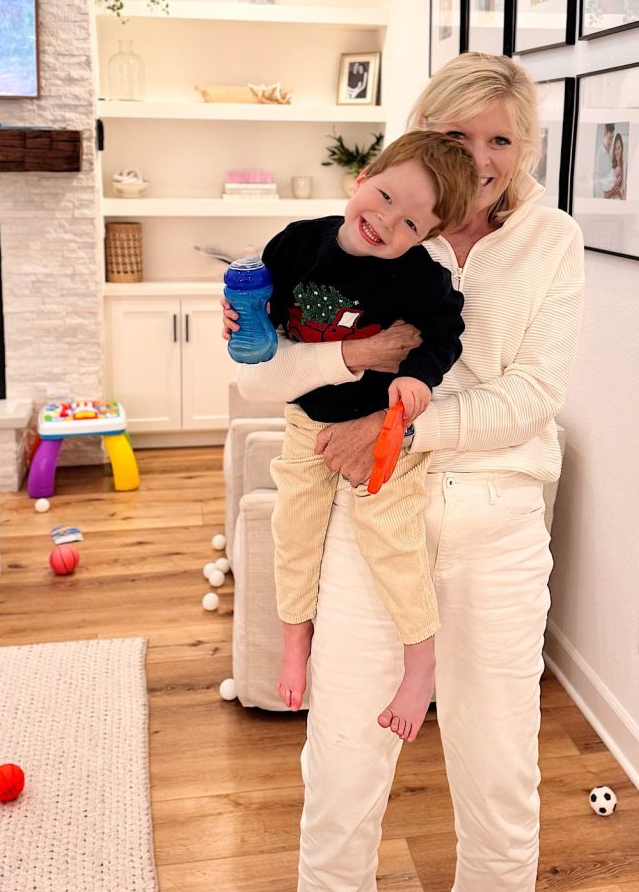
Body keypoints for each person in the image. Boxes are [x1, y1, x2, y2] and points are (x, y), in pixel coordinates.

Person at [223, 52, 585, 891]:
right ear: (423, 133)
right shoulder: (356, 236)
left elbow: (534, 395)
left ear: (525, 147)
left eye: (501, 140)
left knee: (500, 778)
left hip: (497, 526)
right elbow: (261, 377)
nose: (481, 158)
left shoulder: (550, 240)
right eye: (458, 135)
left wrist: (399, 433)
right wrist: (310, 343)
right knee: (342, 767)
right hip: (370, 515)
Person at [256, 130, 477, 742]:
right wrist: (240, 315)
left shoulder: (421, 280)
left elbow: (445, 334)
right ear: (362, 178)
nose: (385, 221)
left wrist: (418, 379)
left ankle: (420, 660)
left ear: (427, 236)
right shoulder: (298, 242)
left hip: (382, 423)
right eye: (383, 197)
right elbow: (262, 313)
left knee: (391, 535)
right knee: (293, 527)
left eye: (409, 223)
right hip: (307, 419)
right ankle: (295, 639)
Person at [594, 122, 616, 197]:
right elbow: (600, 193)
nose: (611, 142)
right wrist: (614, 189)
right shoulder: (600, 155)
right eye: (609, 138)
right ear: (605, 133)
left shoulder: (607, 154)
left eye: (612, 138)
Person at [604, 131, 626, 200]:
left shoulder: (625, 167)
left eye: (619, 148)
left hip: (620, 203)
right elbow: (605, 195)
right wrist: (613, 189)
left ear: (622, 148)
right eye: (615, 149)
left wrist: (619, 193)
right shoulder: (611, 168)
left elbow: (625, 198)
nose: (617, 152)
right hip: (610, 202)